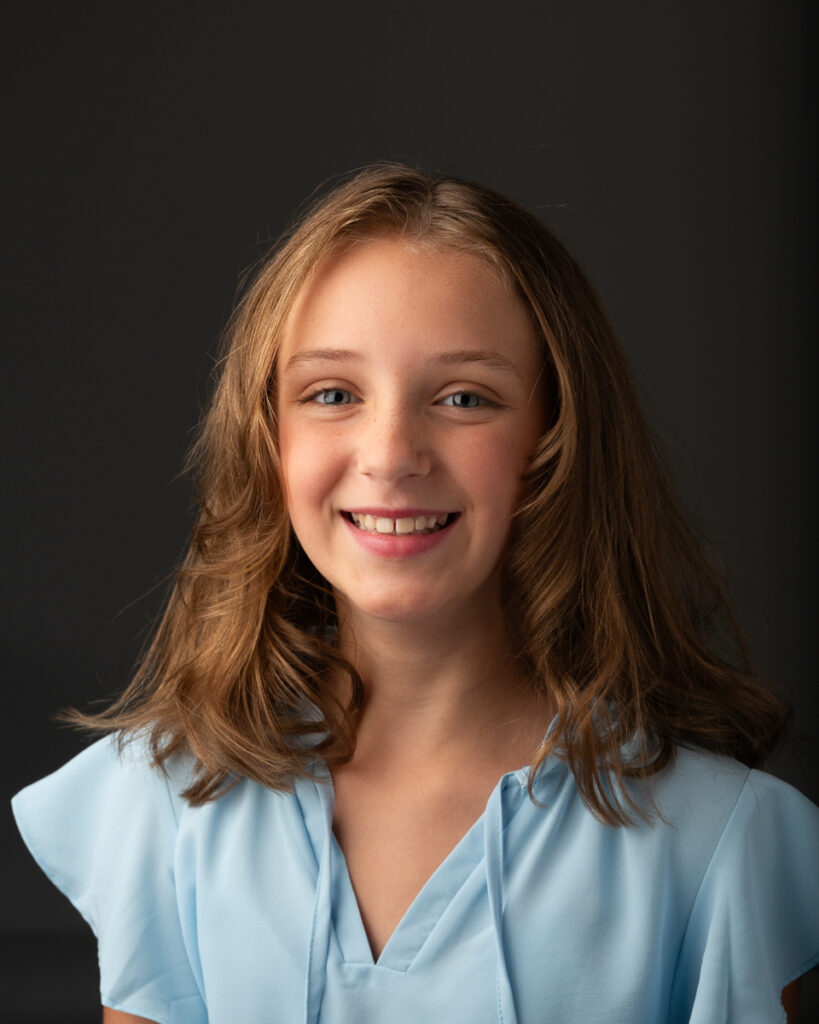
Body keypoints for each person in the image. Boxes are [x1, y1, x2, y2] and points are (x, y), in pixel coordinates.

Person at [12, 163, 819, 1024]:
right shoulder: (163, 805)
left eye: (465, 397)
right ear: (267, 438)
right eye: (331, 394)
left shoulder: (720, 843)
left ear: (554, 440)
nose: (391, 454)